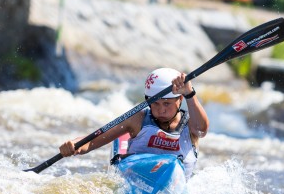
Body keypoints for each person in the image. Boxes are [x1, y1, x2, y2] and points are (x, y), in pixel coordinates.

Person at [59, 68, 209, 179]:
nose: (161, 110)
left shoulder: (191, 123)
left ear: (180, 100)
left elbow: (202, 131)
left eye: (166, 103)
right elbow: (93, 141)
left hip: (175, 186)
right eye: (155, 104)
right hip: (137, 180)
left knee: (171, 165)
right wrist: (74, 146)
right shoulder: (137, 119)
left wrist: (189, 94)